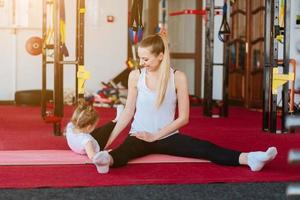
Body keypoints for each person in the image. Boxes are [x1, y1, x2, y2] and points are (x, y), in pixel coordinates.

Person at [93, 33, 278, 174]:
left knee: (205, 148)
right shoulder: (136, 76)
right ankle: (105, 161)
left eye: (146, 59)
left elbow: (184, 118)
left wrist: (155, 136)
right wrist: (108, 141)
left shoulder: (178, 77)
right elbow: (127, 113)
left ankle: (250, 158)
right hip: (139, 135)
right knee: (121, 153)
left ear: (160, 56)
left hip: (167, 135)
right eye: (140, 58)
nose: (142, 63)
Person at [65, 99, 123, 173]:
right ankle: (117, 120)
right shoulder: (87, 140)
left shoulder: (70, 126)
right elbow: (93, 156)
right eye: (94, 125)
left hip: (80, 140)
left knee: (99, 130)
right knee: (106, 129)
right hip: (98, 144)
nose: (95, 126)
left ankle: (116, 120)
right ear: (89, 127)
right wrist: (106, 153)